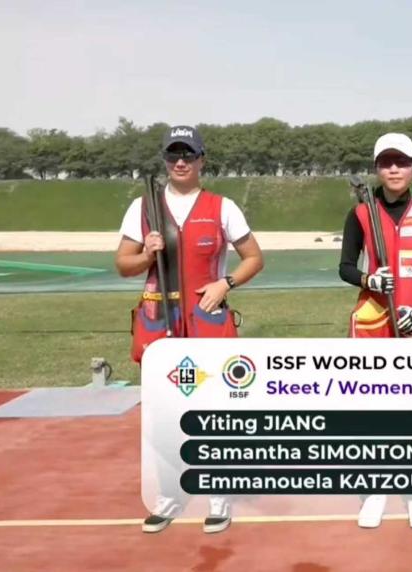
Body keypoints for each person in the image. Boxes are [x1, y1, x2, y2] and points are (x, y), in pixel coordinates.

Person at [115, 125, 264, 534]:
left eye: (188, 154)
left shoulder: (223, 207)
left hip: (206, 320)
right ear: (165, 159)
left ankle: (219, 493)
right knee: (164, 411)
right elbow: (123, 264)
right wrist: (147, 255)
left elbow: (253, 257)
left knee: (215, 406)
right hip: (159, 320)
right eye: (173, 155)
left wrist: (224, 284)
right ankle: (170, 495)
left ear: (201, 160)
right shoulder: (143, 207)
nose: (180, 162)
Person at [338, 133, 412, 529]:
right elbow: (345, 267)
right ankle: (375, 488)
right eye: (386, 162)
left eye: (402, 162)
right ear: (377, 168)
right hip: (372, 322)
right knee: (372, 408)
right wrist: (369, 279)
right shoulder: (360, 213)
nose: (394, 169)